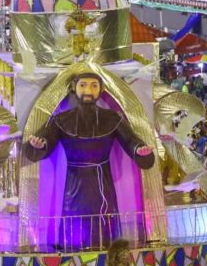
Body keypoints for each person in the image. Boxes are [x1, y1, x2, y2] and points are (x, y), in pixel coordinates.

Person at [23, 72, 155, 249]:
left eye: (94, 85)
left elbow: (130, 140)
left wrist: (139, 149)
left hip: (103, 182)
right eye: (83, 85)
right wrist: (39, 145)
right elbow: (46, 138)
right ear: (73, 88)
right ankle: (73, 254)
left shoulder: (113, 118)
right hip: (74, 184)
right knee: (73, 225)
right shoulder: (62, 119)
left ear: (101, 89)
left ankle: (107, 256)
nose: (88, 90)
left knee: (105, 225)